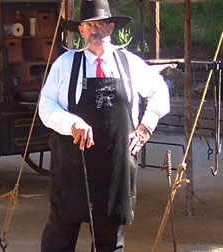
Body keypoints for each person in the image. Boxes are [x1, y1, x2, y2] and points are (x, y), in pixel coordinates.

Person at [37, 0, 170, 251]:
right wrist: (72, 122)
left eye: (100, 25)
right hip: (72, 166)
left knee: (109, 242)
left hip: (115, 167)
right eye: (89, 26)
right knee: (59, 239)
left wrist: (145, 127)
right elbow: (46, 106)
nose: (95, 31)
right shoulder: (65, 64)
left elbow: (159, 92)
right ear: (81, 31)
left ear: (111, 28)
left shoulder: (129, 63)